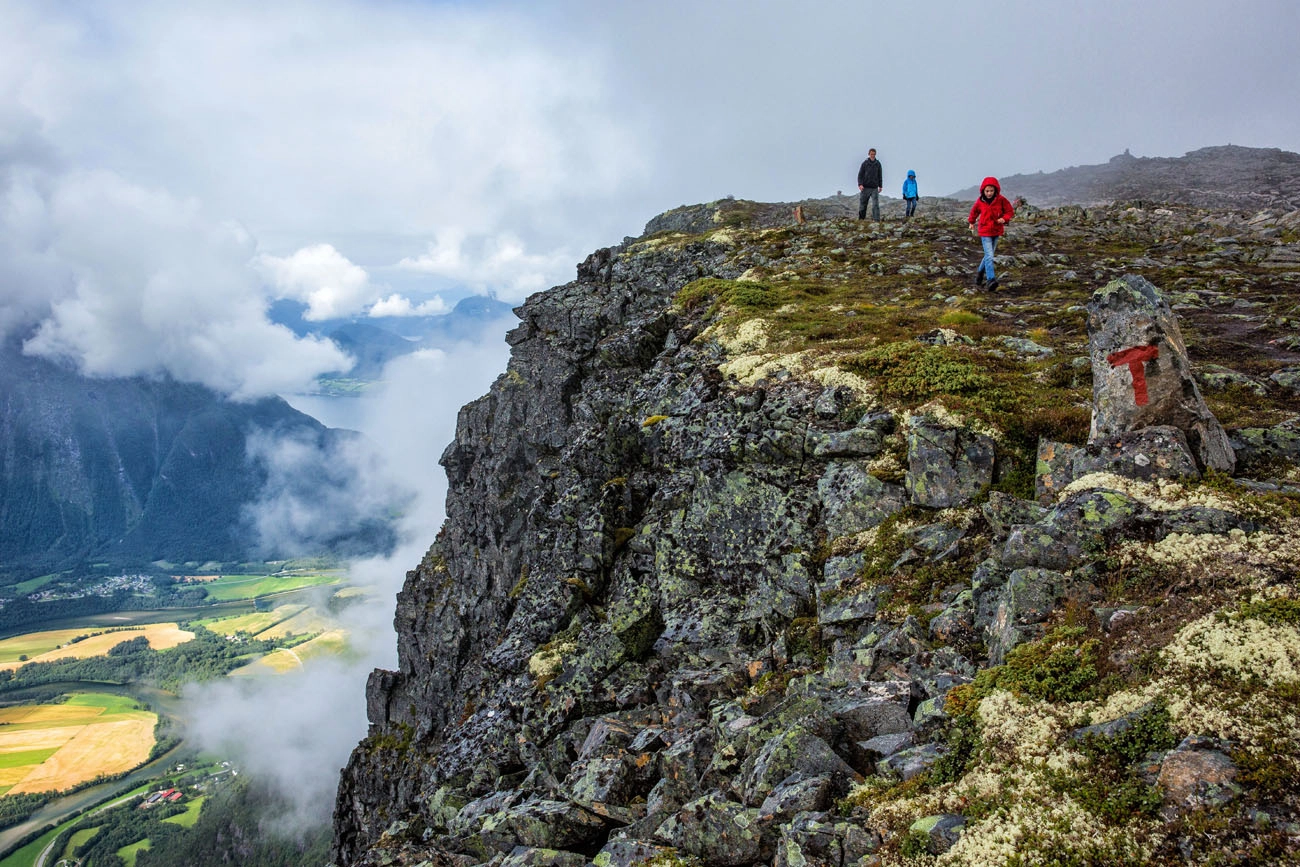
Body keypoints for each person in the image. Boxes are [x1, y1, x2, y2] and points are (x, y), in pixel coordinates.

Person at [967, 176, 1015, 290]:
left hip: (996, 230)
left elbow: (1009, 211)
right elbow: (974, 211)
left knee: (988, 255)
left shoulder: (1001, 200)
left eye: (991, 191)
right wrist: (971, 222)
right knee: (989, 256)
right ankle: (990, 280)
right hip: (984, 231)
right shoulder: (980, 201)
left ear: (996, 190)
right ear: (983, 190)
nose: (989, 193)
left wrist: (1005, 218)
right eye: (987, 191)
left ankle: (979, 276)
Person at [857, 148, 882, 220]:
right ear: (869, 154)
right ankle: (861, 220)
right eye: (871, 154)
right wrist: (860, 184)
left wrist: (880, 186)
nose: (872, 156)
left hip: (874, 188)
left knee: (875, 205)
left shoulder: (878, 164)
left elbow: (880, 175)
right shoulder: (864, 163)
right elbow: (860, 175)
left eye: (874, 154)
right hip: (865, 187)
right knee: (863, 205)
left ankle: (877, 220)